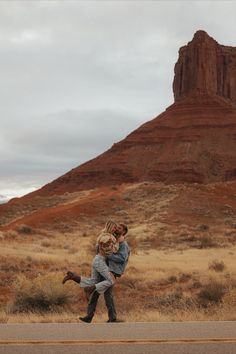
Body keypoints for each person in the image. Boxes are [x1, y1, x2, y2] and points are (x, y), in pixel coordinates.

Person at [79, 223, 129, 323]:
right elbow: (98, 248)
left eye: (119, 228)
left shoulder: (123, 244)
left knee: (107, 294)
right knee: (98, 293)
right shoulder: (110, 239)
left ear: (123, 232)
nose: (116, 229)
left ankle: (111, 317)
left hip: (112, 270)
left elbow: (122, 258)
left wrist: (107, 255)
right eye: (116, 227)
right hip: (103, 267)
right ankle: (90, 316)